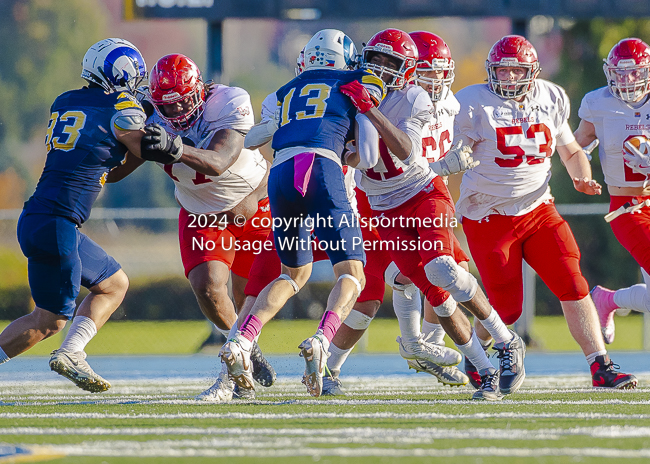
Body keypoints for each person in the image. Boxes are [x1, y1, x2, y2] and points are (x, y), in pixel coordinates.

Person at [344, 28, 520, 401]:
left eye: (391, 62)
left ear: (407, 70)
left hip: (423, 194)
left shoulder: (415, 96)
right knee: (435, 293)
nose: (380, 68)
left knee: (442, 269)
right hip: (381, 207)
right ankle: (485, 372)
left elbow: (407, 150)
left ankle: (505, 340)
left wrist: (369, 108)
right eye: (375, 59)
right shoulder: (349, 91)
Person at [454, 35, 637, 390]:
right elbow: (456, 152)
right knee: (506, 308)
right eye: (502, 70)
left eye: (516, 70)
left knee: (573, 281)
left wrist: (581, 174)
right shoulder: (473, 102)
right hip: (488, 213)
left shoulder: (550, 96)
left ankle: (601, 366)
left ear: (532, 72)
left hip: (539, 209)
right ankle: (477, 352)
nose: (508, 77)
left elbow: (569, 149)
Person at [223, 29, 385, 397]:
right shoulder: (356, 79)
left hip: (280, 174)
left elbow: (252, 139)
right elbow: (371, 156)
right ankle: (322, 341)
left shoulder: (284, 92)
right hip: (324, 168)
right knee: (352, 273)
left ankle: (243, 342)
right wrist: (352, 152)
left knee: (292, 274)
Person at [106, 53, 276, 402]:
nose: (176, 111)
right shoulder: (150, 115)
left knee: (248, 296)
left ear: (199, 88)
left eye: (183, 100)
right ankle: (243, 357)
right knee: (208, 288)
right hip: (201, 212)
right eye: (166, 106)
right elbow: (123, 165)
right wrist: (94, 168)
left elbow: (218, 161)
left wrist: (175, 147)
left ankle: (241, 354)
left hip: (253, 203)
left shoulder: (229, 100)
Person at [0, 38, 149, 392]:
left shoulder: (65, 100)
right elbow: (146, 148)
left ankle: (72, 352)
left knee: (114, 284)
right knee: (48, 320)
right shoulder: (121, 107)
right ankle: (65, 350)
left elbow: (108, 164)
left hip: (44, 218)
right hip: (57, 222)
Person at [574, 38, 650, 346]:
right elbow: (576, 143)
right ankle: (608, 301)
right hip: (629, 207)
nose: (627, 79)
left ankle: (608, 300)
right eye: (620, 72)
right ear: (610, 73)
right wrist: (580, 170)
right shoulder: (599, 102)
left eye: (634, 73)